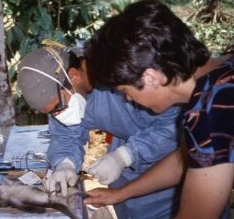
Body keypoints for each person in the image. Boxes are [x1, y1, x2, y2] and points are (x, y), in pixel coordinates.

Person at [83, 0, 234, 219]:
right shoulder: (223, 69)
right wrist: (120, 194)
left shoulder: (210, 112)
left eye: (125, 89)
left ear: (150, 78)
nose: (127, 98)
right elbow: (181, 160)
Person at [17, 39, 182, 218]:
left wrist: (126, 155)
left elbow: (175, 124)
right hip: (128, 185)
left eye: (59, 107)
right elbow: (65, 134)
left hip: (175, 175)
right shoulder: (65, 90)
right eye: (51, 113)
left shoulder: (121, 68)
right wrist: (66, 164)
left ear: (74, 76)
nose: (59, 115)